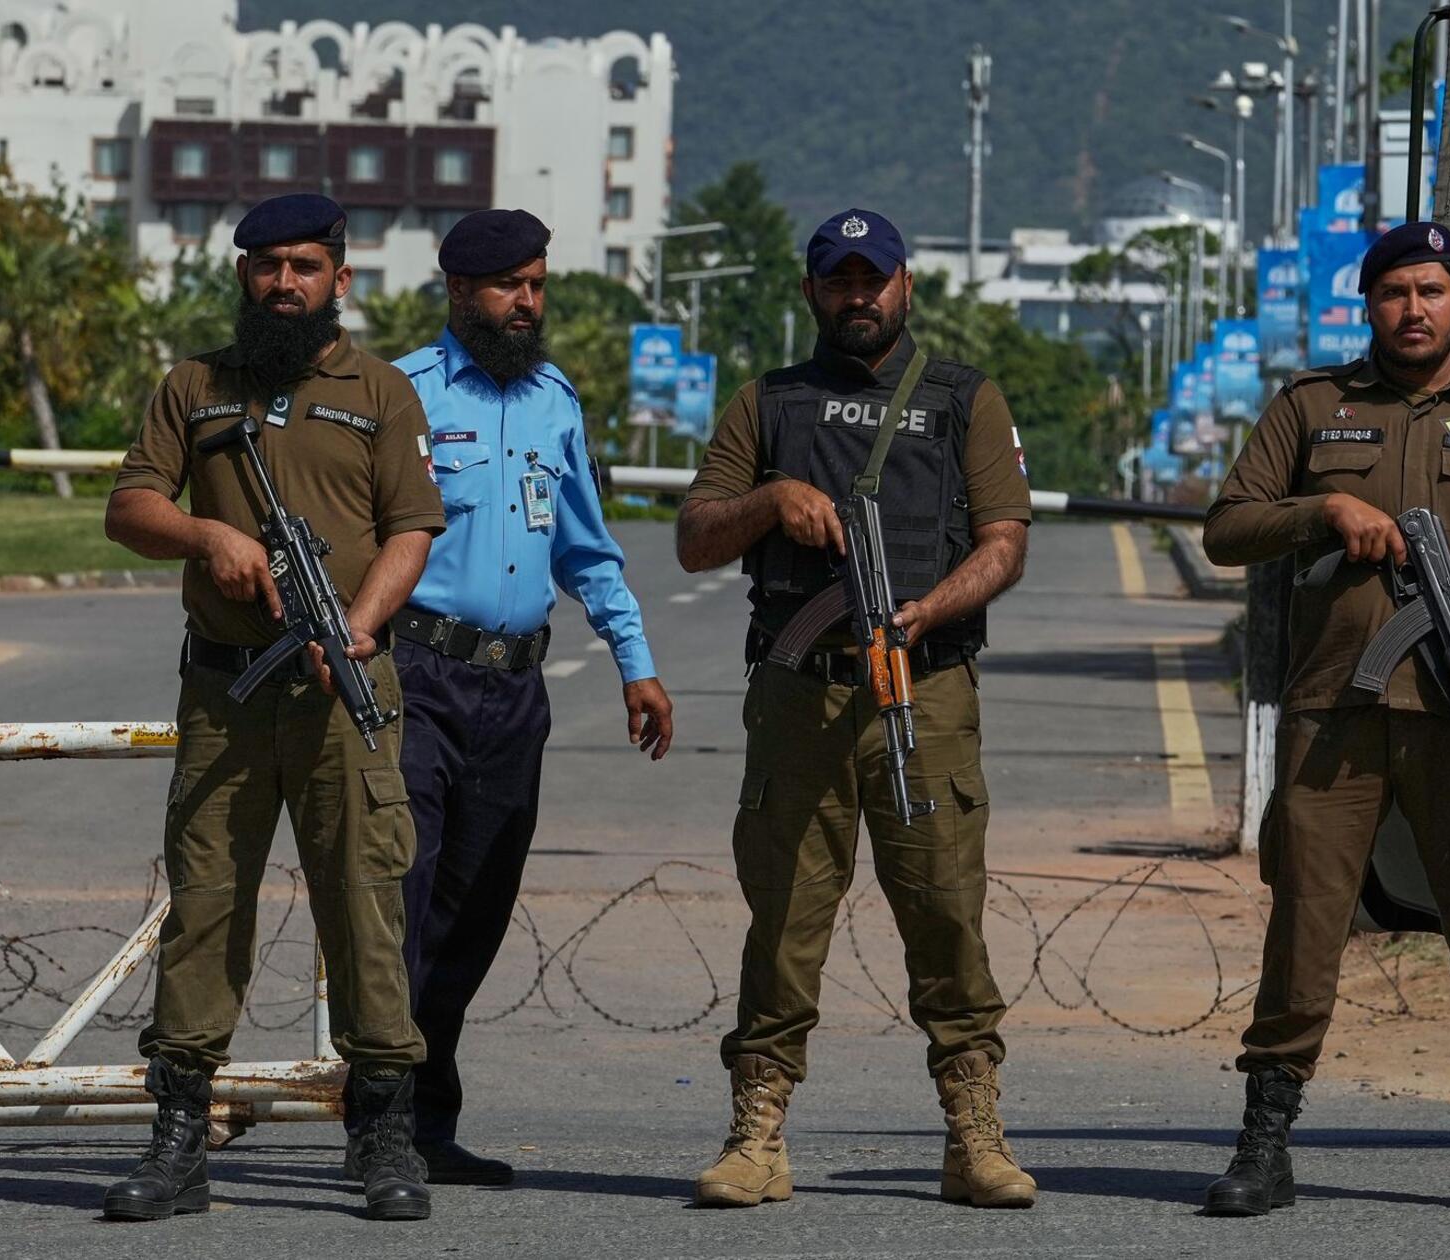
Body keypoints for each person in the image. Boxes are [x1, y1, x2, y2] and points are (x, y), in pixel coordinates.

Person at [1199, 221, 1450, 1219]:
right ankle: (1264, 1140)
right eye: (1393, 292)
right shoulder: (1312, 409)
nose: (1412, 309)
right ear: (1365, 305)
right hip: (1336, 714)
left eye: (1430, 291)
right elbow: (1226, 527)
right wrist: (1319, 513)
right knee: (1305, 930)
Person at [675, 208, 1036, 1210]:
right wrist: (770, 501)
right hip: (800, 693)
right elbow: (695, 537)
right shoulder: (768, 405)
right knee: (785, 919)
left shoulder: (962, 398)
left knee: (944, 916)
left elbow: (1002, 541)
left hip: (924, 689)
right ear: (810, 291)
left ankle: (973, 1130)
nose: (857, 295)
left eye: (873, 278)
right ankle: (756, 1130)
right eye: (838, 279)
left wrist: (927, 612)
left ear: (905, 285)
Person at [101, 193, 445, 1223]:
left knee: (363, 903)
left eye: (303, 265)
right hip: (226, 688)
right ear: (242, 275)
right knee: (205, 905)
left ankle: (381, 1132)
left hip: (343, 684)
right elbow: (130, 506)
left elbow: (411, 529)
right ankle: (178, 1137)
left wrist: (359, 626)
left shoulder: (381, 393)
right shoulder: (194, 385)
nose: (282, 282)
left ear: (341, 278)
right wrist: (208, 539)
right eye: (265, 265)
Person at [372, 209, 674, 1184]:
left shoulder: (553, 400)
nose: (527, 305)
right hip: (416, 677)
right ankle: (378, 1119)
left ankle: (426, 1123)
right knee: (405, 903)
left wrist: (634, 659)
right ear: (460, 292)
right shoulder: (402, 395)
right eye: (510, 287)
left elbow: (585, 546)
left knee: (473, 908)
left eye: (538, 285)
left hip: (514, 690)